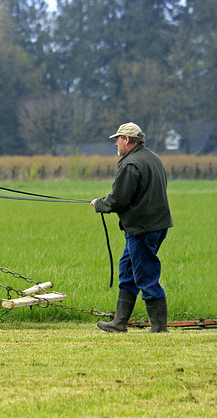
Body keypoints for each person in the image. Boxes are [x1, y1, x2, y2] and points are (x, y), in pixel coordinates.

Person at [91, 122, 173, 333]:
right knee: (128, 271)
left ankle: (159, 328)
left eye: (117, 139)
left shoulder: (131, 164)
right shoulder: (153, 158)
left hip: (142, 228)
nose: (116, 143)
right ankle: (119, 323)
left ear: (127, 140)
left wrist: (100, 204)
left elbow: (119, 199)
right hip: (155, 224)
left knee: (146, 275)